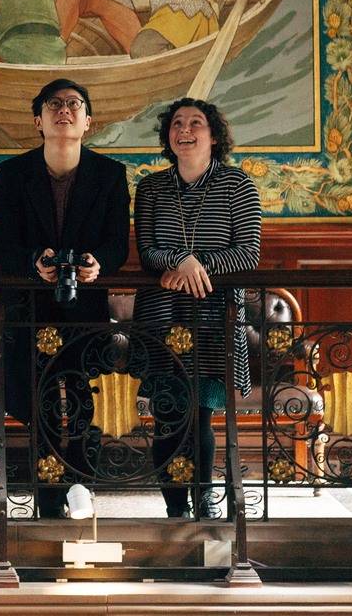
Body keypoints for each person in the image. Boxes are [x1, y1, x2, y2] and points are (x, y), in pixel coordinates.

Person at [0, 79, 130, 518]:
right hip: (28, 309)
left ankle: (82, 487)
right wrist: (36, 263)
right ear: (38, 121)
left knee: (85, 399)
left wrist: (94, 264)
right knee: (37, 400)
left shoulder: (110, 174)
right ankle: (47, 498)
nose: (63, 111)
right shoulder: (13, 174)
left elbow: (117, 246)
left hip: (84, 307)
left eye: (73, 105)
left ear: (88, 122)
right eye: (54, 105)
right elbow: (0, 247)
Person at [133, 98, 261, 519]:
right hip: (162, 314)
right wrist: (177, 262)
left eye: (196, 123)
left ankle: (203, 501)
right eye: (177, 124)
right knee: (169, 414)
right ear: (168, 136)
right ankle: (174, 508)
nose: (184, 130)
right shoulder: (150, 187)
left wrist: (195, 265)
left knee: (202, 415)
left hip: (213, 317)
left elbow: (248, 253)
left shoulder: (238, 185)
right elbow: (148, 252)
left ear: (214, 135)